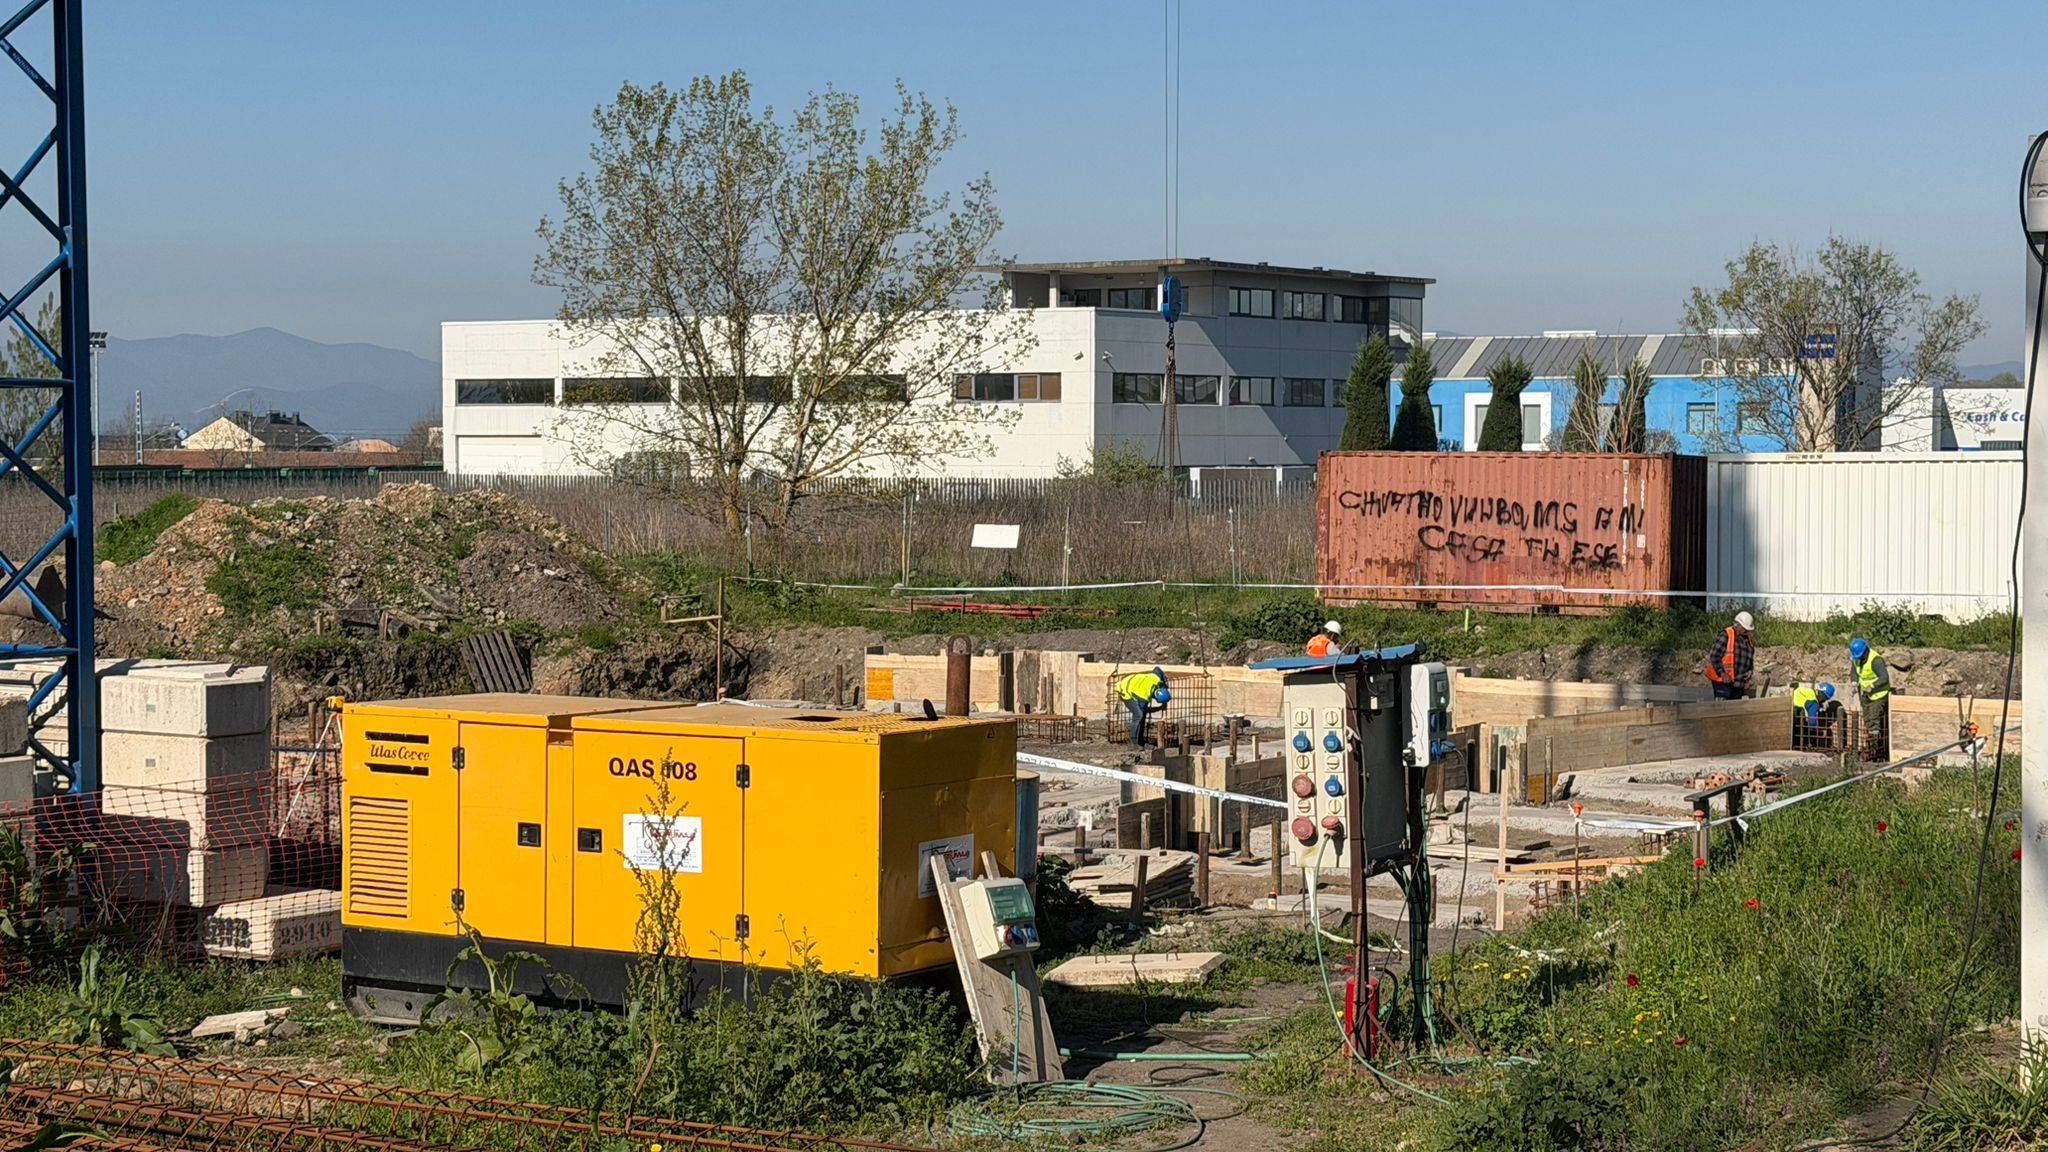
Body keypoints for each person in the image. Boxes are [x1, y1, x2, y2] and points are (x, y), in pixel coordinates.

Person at [1849, 638, 1891, 760]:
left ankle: (1874, 752)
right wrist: (1854, 682)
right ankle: (1870, 747)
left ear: (1866, 651)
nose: (1859, 659)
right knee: (1867, 721)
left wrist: (1872, 686)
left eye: (1861, 656)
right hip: (1866, 695)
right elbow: (1854, 672)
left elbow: (1884, 678)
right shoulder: (1856, 659)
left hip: (1878, 695)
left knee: (1873, 722)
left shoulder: (1876, 660)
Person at [1704, 611, 1755, 699]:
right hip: (1723, 682)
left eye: (1748, 629)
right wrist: (1722, 673)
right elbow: (1715, 656)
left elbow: (1749, 659)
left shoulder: (1748, 640)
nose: (1747, 631)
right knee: (1723, 708)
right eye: (1745, 629)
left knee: (1735, 710)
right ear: (1738, 625)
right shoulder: (1726, 635)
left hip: (1738, 683)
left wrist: (1750, 670)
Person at [1115, 666, 1171, 746]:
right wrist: (1159, 708)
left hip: (1132, 682)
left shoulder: (1157, 679)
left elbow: (1157, 669)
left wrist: (1165, 682)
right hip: (1125, 690)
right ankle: (1133, 742)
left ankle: (1140, 741)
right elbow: (1144, 710)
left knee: (1142, 716)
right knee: (1139, 715)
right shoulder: (1143, 697)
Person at [1791, 681, 1837, 749]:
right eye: (1825, 698)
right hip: (1796, 722)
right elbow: (1812, 723)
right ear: (1823, 695)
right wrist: (1820, 732)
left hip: (1792, 714)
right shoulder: (1813, 702)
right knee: (1808, 731)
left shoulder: (1807, 692)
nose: (1824, 701)